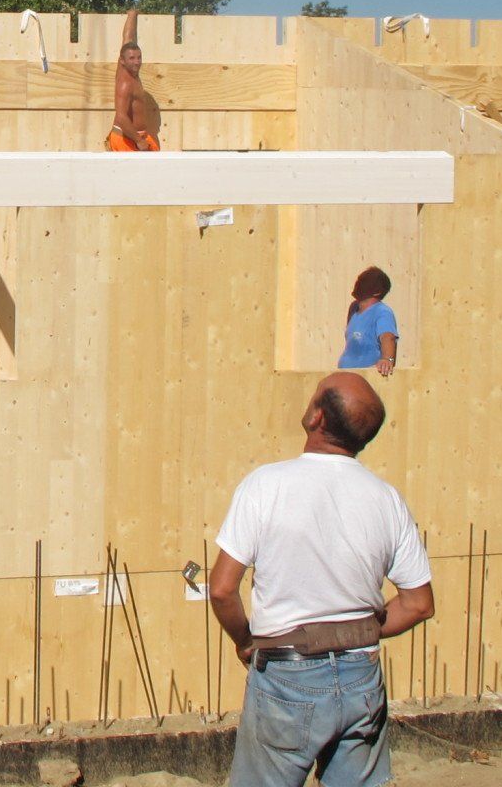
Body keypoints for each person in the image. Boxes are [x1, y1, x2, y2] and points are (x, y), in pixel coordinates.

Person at [208, 374, 434, 787]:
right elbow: (418, 604)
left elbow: (223, 590)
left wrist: (244, 641)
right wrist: (356, 631)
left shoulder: (265, 485)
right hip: (362, 677)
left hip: (286, 673)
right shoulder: (386, 499)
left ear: (317, 417)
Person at [105, 8, 162, 151]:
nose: (137, 62)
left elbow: (128, 38)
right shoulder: (125, 83)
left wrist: (132, 15)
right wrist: (139, 140)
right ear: (122, 61)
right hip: (127, 139)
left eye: (139, 57)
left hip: (138, 138)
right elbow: (121, 116)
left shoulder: (131, 72)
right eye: (132, 58)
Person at [337, 267, 399, 377]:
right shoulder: (354, 309)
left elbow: (388, 337)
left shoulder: (382, 312)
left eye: (364, 281)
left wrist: (387, 360)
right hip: (346, 376)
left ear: (377, 292)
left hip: (366, 378)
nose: (358, 283)